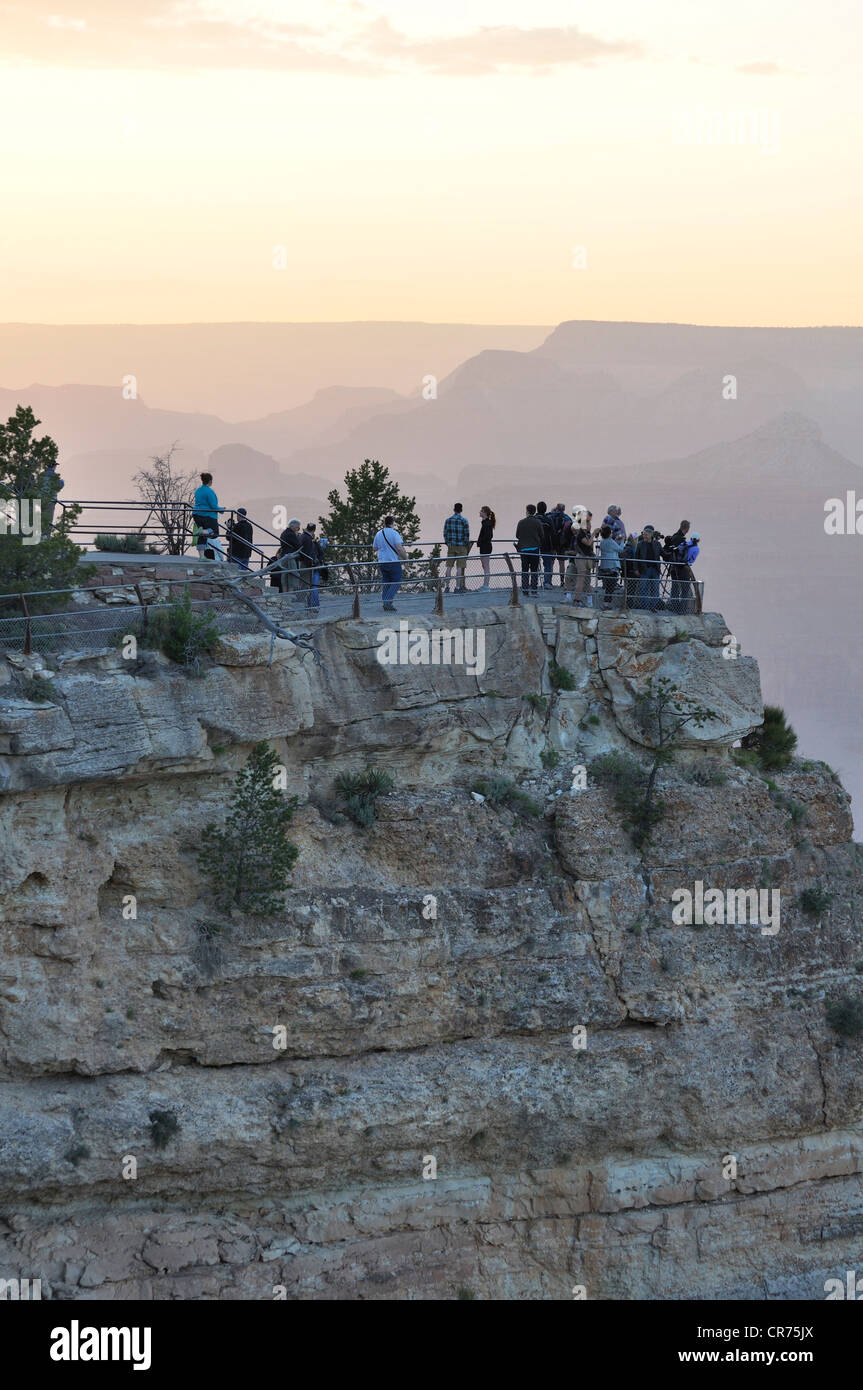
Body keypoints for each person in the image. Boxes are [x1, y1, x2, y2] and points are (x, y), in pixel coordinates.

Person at [373, 515, 405, 612]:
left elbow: (374, 548)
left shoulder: (378, 533)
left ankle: (385, 602)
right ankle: (387, 602)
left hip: (382, 562)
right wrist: (406, 558)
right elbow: (399, 548)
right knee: (397, 581)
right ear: (392, 523)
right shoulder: (394, 533)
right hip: (392, 561)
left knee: (386, 581)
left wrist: (383, 547)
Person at [515, 503, 544, 596]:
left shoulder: (521, 522)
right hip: (534, 549)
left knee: (524, 569)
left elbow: (517, 535)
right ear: (534, 511)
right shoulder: (537, 522)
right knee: (534, 570)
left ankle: (525, 589)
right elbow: (542, 535)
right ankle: (534, 590)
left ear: (527, 511)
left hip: (523, 549)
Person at [663, 520, 691, 613]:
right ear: (687, 529)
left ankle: (675, 606)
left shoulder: (674, 537)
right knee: (684, 588)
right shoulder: (680, 539)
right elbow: (682, 554)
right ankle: (681, 609)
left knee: (675, 587)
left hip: (673, 567)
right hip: (680, 567)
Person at [443, 502, 470, 593]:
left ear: (454, 509)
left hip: (451, 546)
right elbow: (467, 535)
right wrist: (465, 544)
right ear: (461, 510)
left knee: (449, 566)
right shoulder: (464, 521)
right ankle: (457, 587)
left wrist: (448, 543)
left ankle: (447, 587)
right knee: (459, 567)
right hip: (461, 546)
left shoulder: (448, 520)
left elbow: (445, 534)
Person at [635, 526, 663, 611]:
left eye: (646, 535)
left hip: (655, 569)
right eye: (644, 534)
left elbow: (663, 553)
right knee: (643, 588)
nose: (645, 536)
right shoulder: (640, 545)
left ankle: (653, 606)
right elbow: (636, 558)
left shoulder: (657, 544)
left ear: (651, 535)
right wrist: (636, 569)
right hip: (645, 569)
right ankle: (646, 607)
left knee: (655, 589)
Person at [298, 522, 323, 616]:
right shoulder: (307, 539)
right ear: (314, 530)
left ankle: (307, 604)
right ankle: (302, 605)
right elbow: (308, 552)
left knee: (306, 584)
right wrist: (312, 562)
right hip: (307, 565)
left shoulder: (303, 537)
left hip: (306, 563)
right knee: (305, 584)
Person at [572, 509, 596, 606]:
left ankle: (589, 601)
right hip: (581, 558)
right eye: (588, 521)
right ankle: (577, 599)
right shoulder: (581, 533)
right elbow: (588, 543)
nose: (590, 524)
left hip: (586, 558)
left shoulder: (586, 533)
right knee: (581, 579)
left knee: (587, 580)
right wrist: (594, 533)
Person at [597, 524, 624, 606]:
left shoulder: (602, 542)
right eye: (611, 532)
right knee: (610, 587)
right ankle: (606, 604)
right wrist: (622, 540)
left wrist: (615, 540)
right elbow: (620, 549)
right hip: (612, 567)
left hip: (604, 566)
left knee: (607, 586)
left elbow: (610, 548)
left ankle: (606, 603)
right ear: (609, 533)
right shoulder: (610, 541)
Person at [193, 472, 221, 550]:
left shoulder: (198, 490)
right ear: (210, 481)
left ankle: (202, 556)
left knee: (203, 536)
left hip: (196, 514)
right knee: (214, 532)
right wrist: (221, 509)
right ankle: (201, 531)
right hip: (207, 515)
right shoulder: (209, 492)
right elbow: (213, 506)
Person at [276, 519, 303, 593]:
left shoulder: (284, 533)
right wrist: (297, 537)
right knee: (292, 576)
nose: (298, 529)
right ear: (292, 526)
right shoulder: (291, 534)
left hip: (284, 556)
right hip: (290, 557)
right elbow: (298, 545)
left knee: (284, 576)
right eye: (298, 527)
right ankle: (289, 595)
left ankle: (285, 594)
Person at [549, 502, 571, 585]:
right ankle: (562, 581)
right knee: (561, 563)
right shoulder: (567, 518)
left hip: (552, 542)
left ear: (556, 508)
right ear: (564, 509)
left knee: (551, 562)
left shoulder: (550, 516)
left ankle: (549, 581)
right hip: (562, 543)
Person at [536, 501, 556, 590]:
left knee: (534, 564)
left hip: (535, 544)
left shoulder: (534, 519)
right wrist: (554, 547)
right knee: (547, 565)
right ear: (545, 509)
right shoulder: (548, 520)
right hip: (547, 545)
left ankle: (533, 582)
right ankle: (547, 582)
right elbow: (553, 534)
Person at [477, 506, 495, 590]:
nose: (479, 512)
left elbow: (489, 535)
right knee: (484, 565)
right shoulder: (485, 523)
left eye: (481, 511)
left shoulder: (487, 523)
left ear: (484, 512)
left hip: (486, 547)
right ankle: (485, 584)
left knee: (486, 566)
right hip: (484, 546)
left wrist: (480, 541)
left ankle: (486, 586)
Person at [621, 533, 639, 607]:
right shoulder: (632, 548)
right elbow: (634, 560)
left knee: (629, 588)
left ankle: (628, 603)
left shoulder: (626, 546)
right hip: (631, 571)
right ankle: (629, 604)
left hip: (626, 571)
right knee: (632, 589)